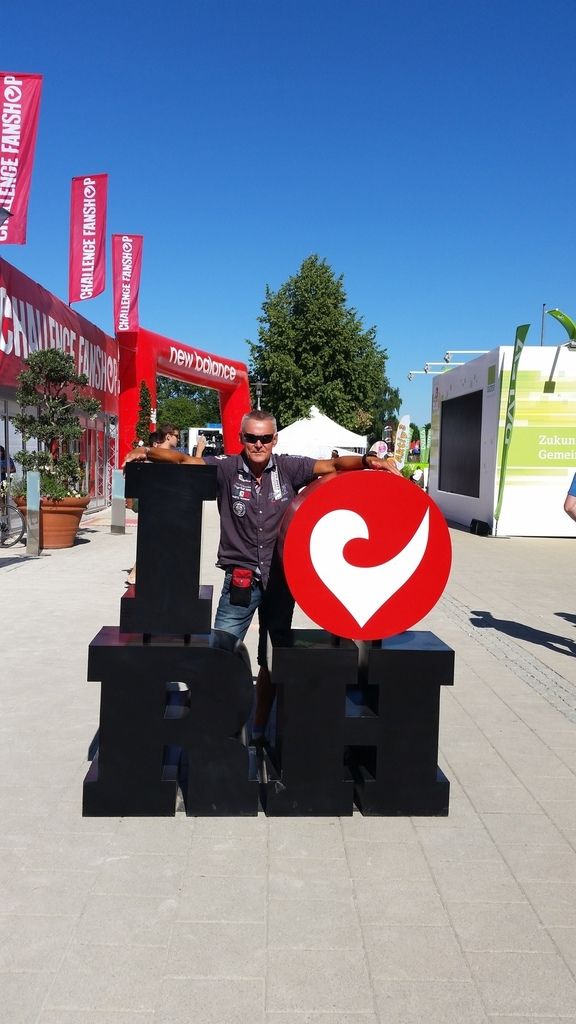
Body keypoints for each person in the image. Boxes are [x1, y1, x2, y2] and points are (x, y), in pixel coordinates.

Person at [124, 409, 400, 740]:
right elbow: (184, 461)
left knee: (273, 658)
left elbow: (334, 465)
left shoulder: (288, 468)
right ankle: (210, 730)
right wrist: (147, 451)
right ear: (241, 438)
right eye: (252, 438)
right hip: (240, 581)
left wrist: (369, 461)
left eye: (265, 438)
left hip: (280, 581)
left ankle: (258, 729)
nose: (258, 444)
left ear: (274, 439)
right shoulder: (227, 469)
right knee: (219, 654)